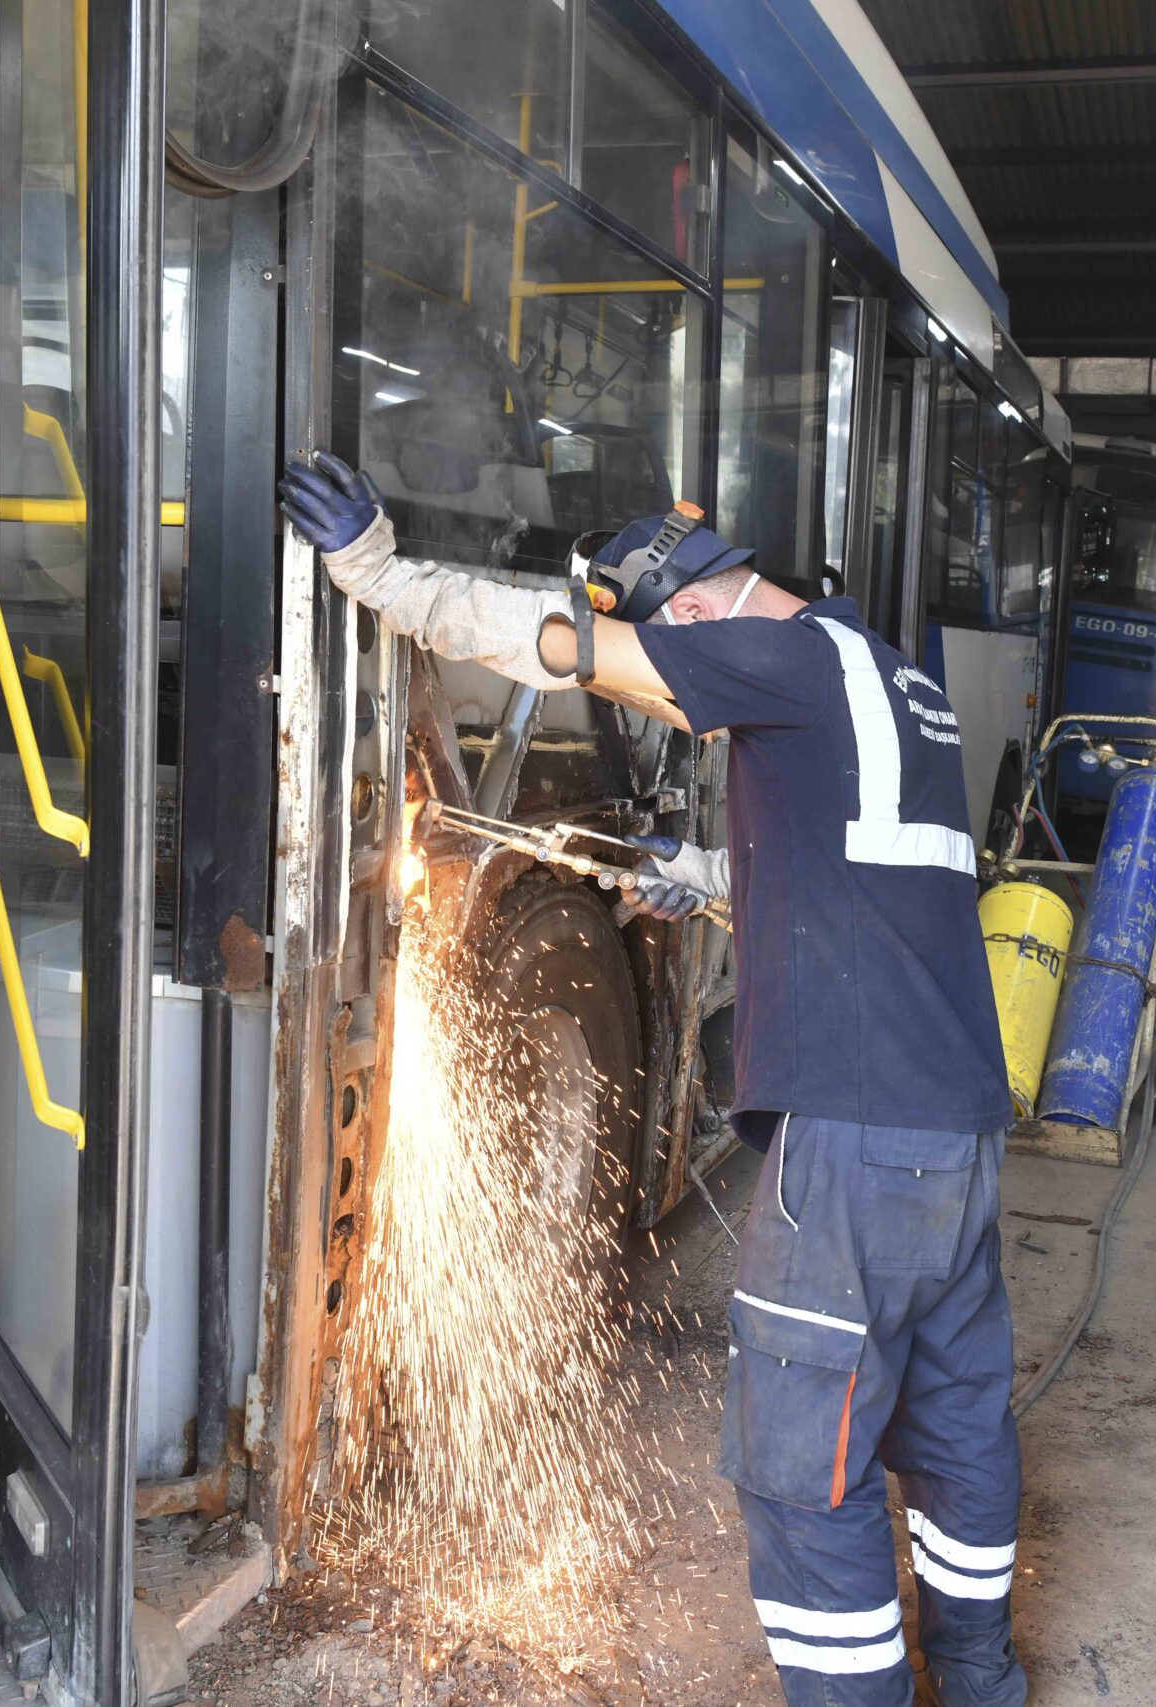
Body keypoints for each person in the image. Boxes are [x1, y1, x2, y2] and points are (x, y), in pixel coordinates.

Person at [280, 453, 1027, 1707]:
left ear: (684, 611)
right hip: (951, 1138)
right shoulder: (886, 674)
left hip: (853, 1144)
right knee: (958, 1434)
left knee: (801, 1470)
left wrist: (380, 574)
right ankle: (981, 1683)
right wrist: (712, 872)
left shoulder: (764, 657)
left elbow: (554, 646)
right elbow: (881, 873)